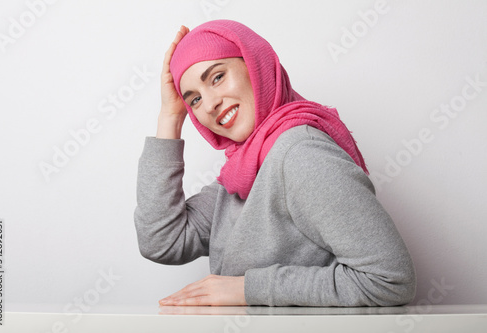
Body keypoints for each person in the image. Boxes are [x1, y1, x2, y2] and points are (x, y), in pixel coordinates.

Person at [134, 20, 416, 307]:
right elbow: (162, 241)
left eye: (217, 77)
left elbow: (389, 280)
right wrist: (169, 116)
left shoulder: (300, 155)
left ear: (255, 65)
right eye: (194, 100)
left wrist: (247, 289)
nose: (208, 105)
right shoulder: (243, 171)